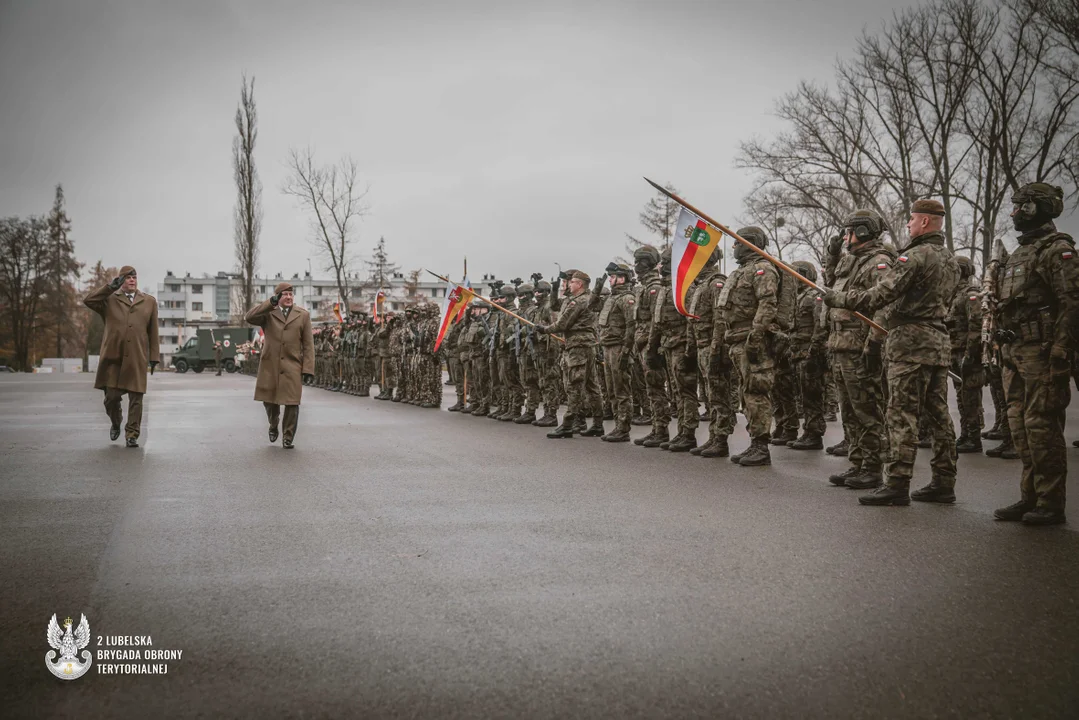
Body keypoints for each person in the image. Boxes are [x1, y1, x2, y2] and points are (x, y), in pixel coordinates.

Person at [825, 199, 959, 506]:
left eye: (912, 219)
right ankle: (943, 480)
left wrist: (841, 299)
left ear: (924, 222)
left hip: (910, 343)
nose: (908, 224)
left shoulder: (913, 256)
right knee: (939, 416)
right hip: (936, 340)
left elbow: (882, 294)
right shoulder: (948, 258)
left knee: (902, 414)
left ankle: (897, 483)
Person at [991, 183, 1079, 526]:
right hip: (1016, 353)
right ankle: (1030, 496)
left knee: (1042, 428)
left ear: (1033, 209)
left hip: (1043, 355)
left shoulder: (1057, 251)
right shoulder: (1021, 252)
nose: (1013, 212)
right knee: (1021, 429)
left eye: (1019, 206)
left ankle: (1050, 502)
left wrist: (1060, 351)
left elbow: (1072, 304)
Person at [822, 210, 895, 488]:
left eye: (849, 231)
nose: (845, 236)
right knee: (849, 410)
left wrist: (874, 345)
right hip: (840, 345)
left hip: (859, 347)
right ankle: (857, 463)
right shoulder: (850, 260)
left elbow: (883, 306)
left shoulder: (879, 262)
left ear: (862, 231)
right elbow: (832, 284)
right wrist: (832, 254)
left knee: (867, 408)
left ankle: (874, 466)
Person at [720, 228, 780, 466]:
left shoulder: (762, 269)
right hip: (737, 337)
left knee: (756, 392)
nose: (734, 247)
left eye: (737, 243)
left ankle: (761, 447)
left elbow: (768, 304)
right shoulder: (741, 271)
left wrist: (756, 337)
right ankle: (755, 441)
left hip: (751, 339)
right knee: (747, 393)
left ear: (750, 243)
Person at [82, 265, 159, 448]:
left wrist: (154, 356)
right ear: (121, 280)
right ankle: (116, 422)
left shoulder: (149, 301)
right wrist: (110, 287)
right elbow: (88, 300)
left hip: (136, 356)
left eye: (134, 277)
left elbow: (153, 331)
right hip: (113, 357)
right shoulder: (109, 300)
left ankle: (132, 434)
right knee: (112, 398)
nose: (132, 280)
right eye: (127, 277)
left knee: (136, 398)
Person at [245, 282, 315, 449]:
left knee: (292, 403)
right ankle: (273, 423)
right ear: (278, 297)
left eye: (291, 294)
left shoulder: (303, 315)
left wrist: (308, 369)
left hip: (292, 365)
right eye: (285, 295)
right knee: (269, 401)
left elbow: (308, 345)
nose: (289, 297)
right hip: (270, 365)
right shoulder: (268, 313)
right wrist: (270, 303)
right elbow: (249, 317)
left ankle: (288, 437)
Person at [534, 270, 600, 439]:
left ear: (579, 284)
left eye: (570, 282)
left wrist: (544, 329)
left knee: (574, 386)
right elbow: (556, 306)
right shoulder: (581, 299)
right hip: (583, 345)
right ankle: (597, 424)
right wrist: (556, 289)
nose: (568, 284)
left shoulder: (579, 301)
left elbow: (563, 323)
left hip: (578, 347)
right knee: (592, 386)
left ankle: (568, 424)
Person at [592, 263, 637, 442]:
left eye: (613, 277)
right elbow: (592, 305)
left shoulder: (627, 299)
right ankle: (618, 425)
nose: (610, 280)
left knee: (621, 390)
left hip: (619, 348)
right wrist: (598, 285)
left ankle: (623, 428)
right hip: (608, 347)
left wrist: (626, 352)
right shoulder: (611, 298)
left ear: (622, 278)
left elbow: (631, 326)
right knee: (611, 390)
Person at [948, 256, 984, 453]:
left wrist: (971, 354)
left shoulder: (970, 294)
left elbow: (976, 326)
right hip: (955, 350)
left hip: (966, 352)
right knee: (962, 397)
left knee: (970, 396)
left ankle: (974, 436)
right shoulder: (954, 294)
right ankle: (966, 434)